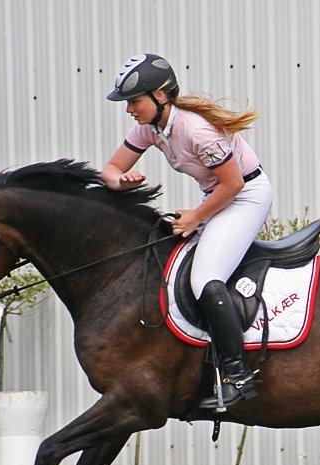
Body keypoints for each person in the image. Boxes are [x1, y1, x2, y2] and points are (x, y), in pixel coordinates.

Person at [101, 53, 272, 409]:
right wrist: (120, 182)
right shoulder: (149, 128)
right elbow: (111, 169)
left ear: (160, 97)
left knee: (205, 279)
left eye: (134, 101)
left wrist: (195, 217)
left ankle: (239, 375)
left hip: (245, 195)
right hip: (218, 197)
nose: (130, 109)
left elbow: (234, 184)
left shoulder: (197, 130)